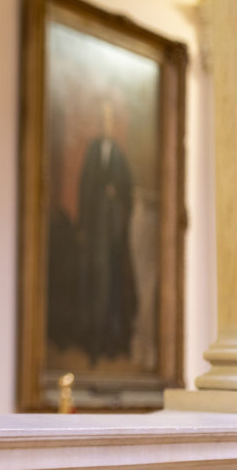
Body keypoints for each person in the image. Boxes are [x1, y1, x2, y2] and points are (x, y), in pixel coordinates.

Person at [76, 100, 138, 365]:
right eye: (102, 120)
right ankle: (94, 342)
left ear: (114, 124)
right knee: (95, 284)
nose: (106, 124)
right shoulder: (92, 152)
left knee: (112, 286)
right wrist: (82, 226)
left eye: (110, 120)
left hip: (114, 234)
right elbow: (83, 188)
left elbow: (129, 190)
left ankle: (111, 342)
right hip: (94, 232)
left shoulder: (119, 156)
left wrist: (117, 204)